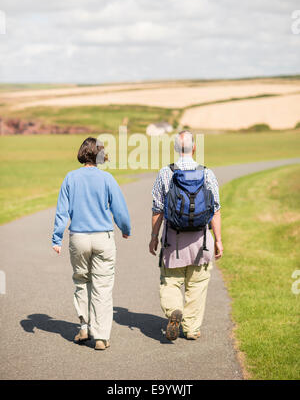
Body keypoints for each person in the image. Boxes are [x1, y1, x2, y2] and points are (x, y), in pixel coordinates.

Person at [52, 137, 131, 350]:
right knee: (102, 286)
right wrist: (125, 229)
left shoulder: (70, 178)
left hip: (78, 237)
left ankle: (85, 326)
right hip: (102, 237)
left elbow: (62, 212)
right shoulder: (107, 179)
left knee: (81, 281)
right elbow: (120, 210)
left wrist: (57, 238)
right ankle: (101, 336)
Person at [149, 130, 223, 341]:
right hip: (201, 242)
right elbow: (215, 210)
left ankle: (174, 310)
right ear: (194, 148)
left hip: (173, 240)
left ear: (175, 149)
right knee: (197, 285)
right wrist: (218, 240)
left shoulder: (165, 173)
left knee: (170, 281)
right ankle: (191, 328)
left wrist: (154, 236)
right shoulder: (207, 173)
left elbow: (158, 209)